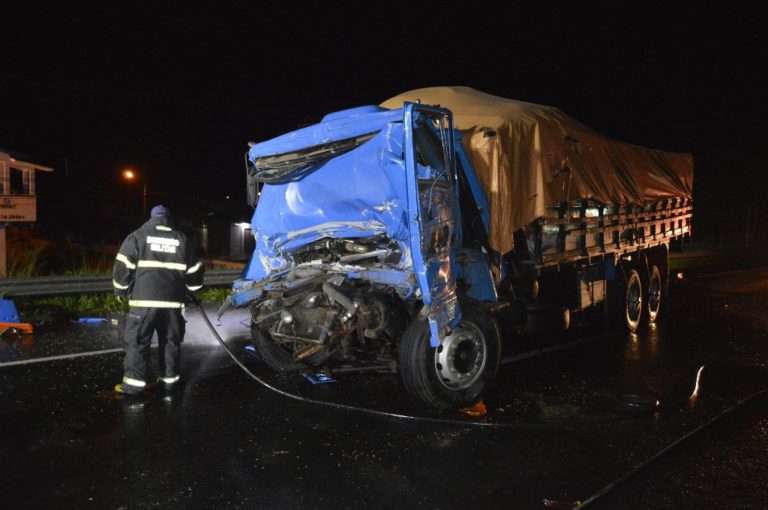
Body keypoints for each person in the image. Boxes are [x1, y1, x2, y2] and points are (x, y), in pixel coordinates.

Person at [112, 204, 204, 395]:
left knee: (138, 343)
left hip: (143, 304)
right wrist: (192, 290)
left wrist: (120, 290)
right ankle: (169, 382)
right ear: (169, 219)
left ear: (152, 218)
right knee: (170, 342)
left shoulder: (138, 236)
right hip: (173, 304)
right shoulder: (183, 239)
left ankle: (133, 387)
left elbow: (122, 266)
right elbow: (195, 271)